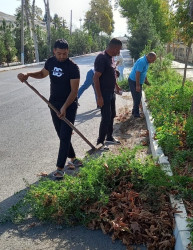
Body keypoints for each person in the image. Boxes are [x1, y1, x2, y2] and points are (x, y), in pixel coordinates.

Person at [17, 38, 82, 179]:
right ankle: (73, 157)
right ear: (54, 51)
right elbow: (42, 74)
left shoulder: (73, 68)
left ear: (68, 52)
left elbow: (74, 92)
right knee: (61, 134)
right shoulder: (51, 62)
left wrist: (64, 107)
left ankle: (59, 168)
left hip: (69, 105)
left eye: (64, 54)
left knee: (65, 136)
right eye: (59, 53)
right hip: (53, 103)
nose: (62, 56)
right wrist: (28, 75)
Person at [93, 38, 123, 150]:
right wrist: (99, 97)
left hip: (111, 92)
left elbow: (111, 74)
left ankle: (109, 137)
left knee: (112, 115)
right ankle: (100, 142)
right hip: (104, 93)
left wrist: (116, 86)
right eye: (118, 50)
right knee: (105, 117)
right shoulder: (102, 58)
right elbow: (95, 78)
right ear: (114, 48)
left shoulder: (111, 58)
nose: (119, 52)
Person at [128, 52, 157, 118]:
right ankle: (136, 114)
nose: (153, 62)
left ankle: (134, 111)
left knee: (137, 96)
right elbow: (137, 73)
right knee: (137, 97)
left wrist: (145, 80)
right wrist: (137, 85)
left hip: (137, 81)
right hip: (134, 81)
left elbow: (144, 72)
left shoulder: (147, 61)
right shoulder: (142, 62)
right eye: (153, 60)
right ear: (149, 57)